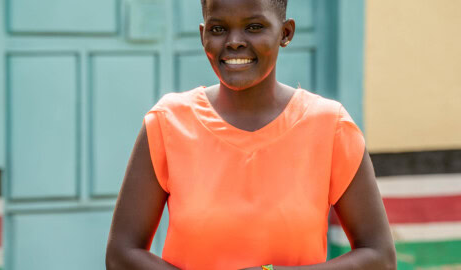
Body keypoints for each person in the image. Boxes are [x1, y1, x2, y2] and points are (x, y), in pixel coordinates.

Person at [105, 0, 396, 269]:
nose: (234, 42)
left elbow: (379, 257)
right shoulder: (168, 123)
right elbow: (122, 254)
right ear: (203, 35)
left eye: (254, 27)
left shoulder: (330, 127)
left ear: (285, 32)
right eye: (219, 29)